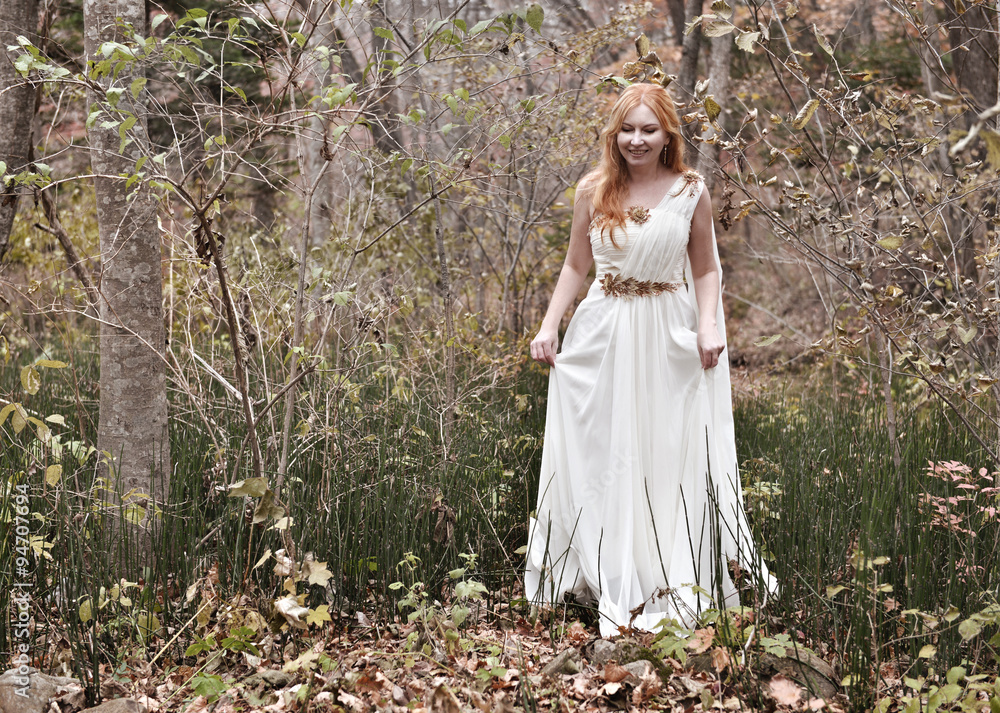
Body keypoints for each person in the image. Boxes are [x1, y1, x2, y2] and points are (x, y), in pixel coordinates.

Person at [524, 83, 774, 637]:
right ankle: (603, 570)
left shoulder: (691, 191)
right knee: (604, 448)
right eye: (627, 130)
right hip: (604, 331)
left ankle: (666, 575)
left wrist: (708, 324)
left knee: (664, 451)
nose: (637, 140)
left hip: (668, 333)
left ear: (668, 135)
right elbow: (575, 265)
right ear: (615, 135)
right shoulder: (593, 190)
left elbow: (707, 269)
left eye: (648, 129)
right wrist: (549, 324)